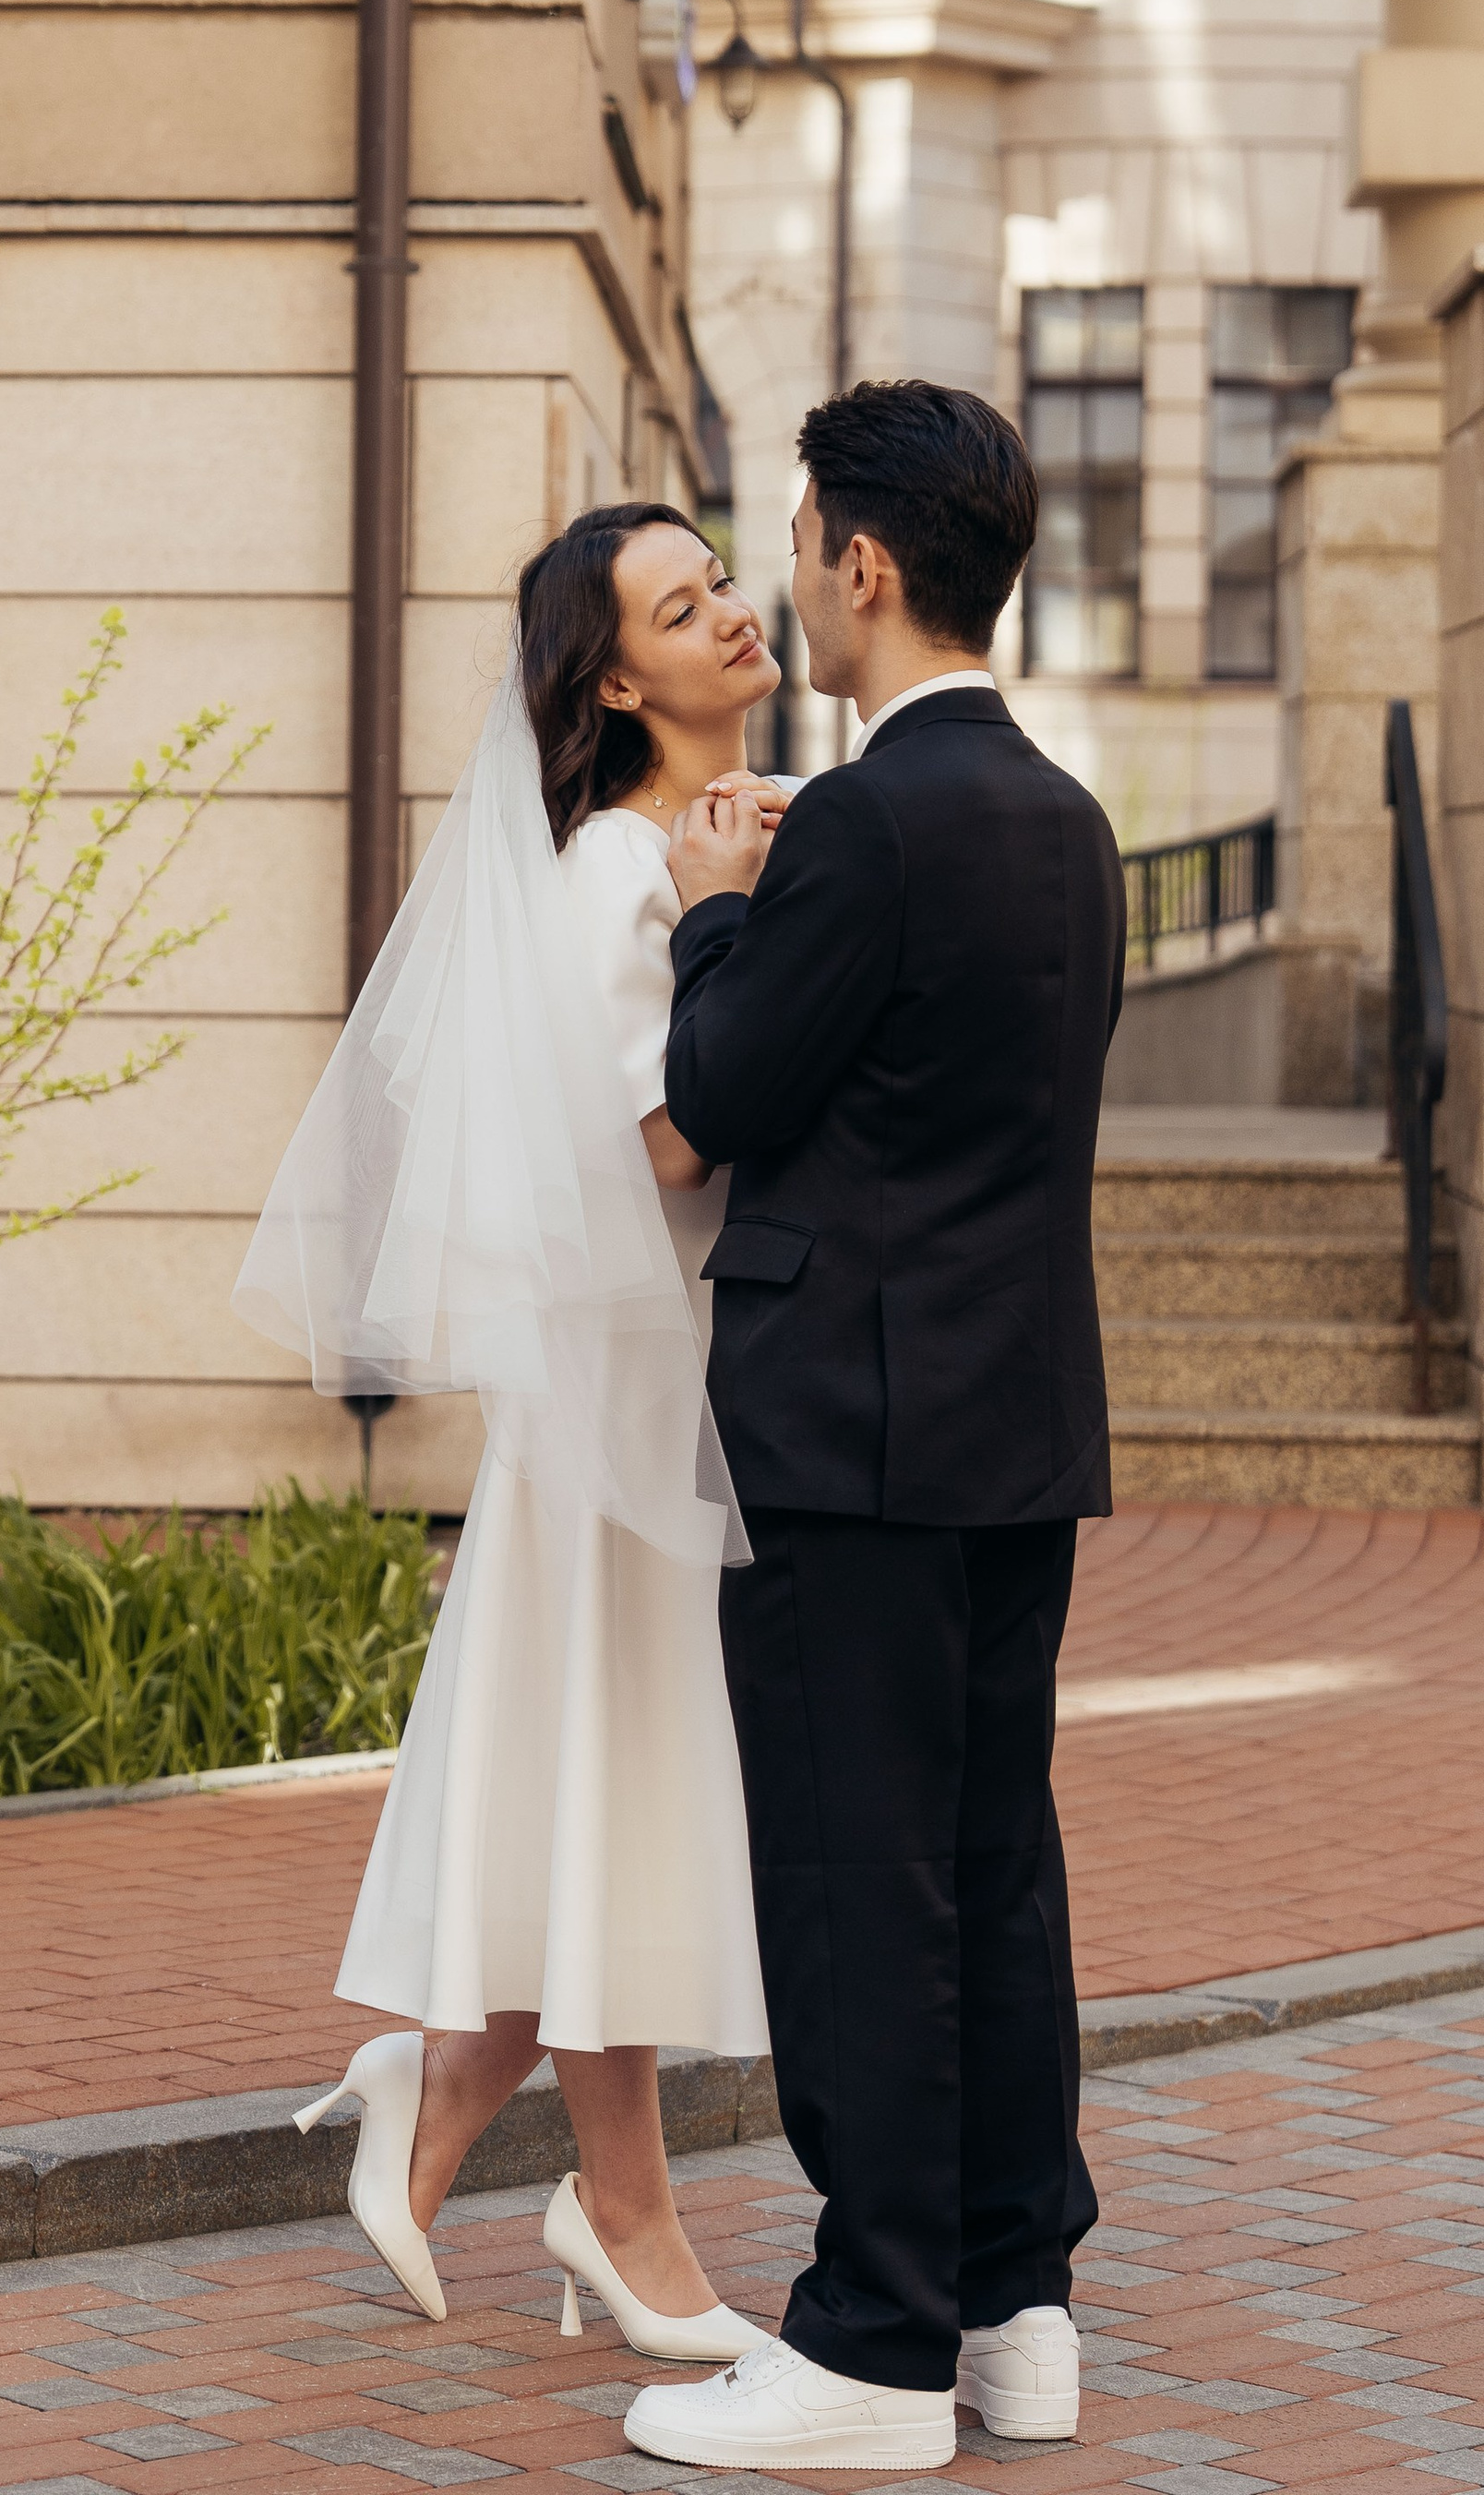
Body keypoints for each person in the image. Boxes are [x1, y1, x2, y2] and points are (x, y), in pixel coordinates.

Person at [623, 382, 1126, 2479]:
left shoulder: (862, 819)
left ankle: (865, 2345)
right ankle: (1014, 2310)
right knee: (991, 1872)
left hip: (851, 1429)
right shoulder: (1063, 821)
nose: (787, 578)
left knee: (857, 1885)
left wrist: (711, 906)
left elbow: (727, 1092)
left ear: (864, 566)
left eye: (801, 536)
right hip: (1017, 1420)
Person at [240, 505, 781, 2357]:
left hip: (658, 1385)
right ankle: (614, 2208)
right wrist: (737, 938)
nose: (729, 617)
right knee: (614, 1777)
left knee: (586, 1773)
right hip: (627, 1395)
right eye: (678, 607)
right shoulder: (612, 876)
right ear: (613, 679)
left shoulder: (692, 843)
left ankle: (449, 2090)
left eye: (719, 582)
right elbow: (655, 1144)